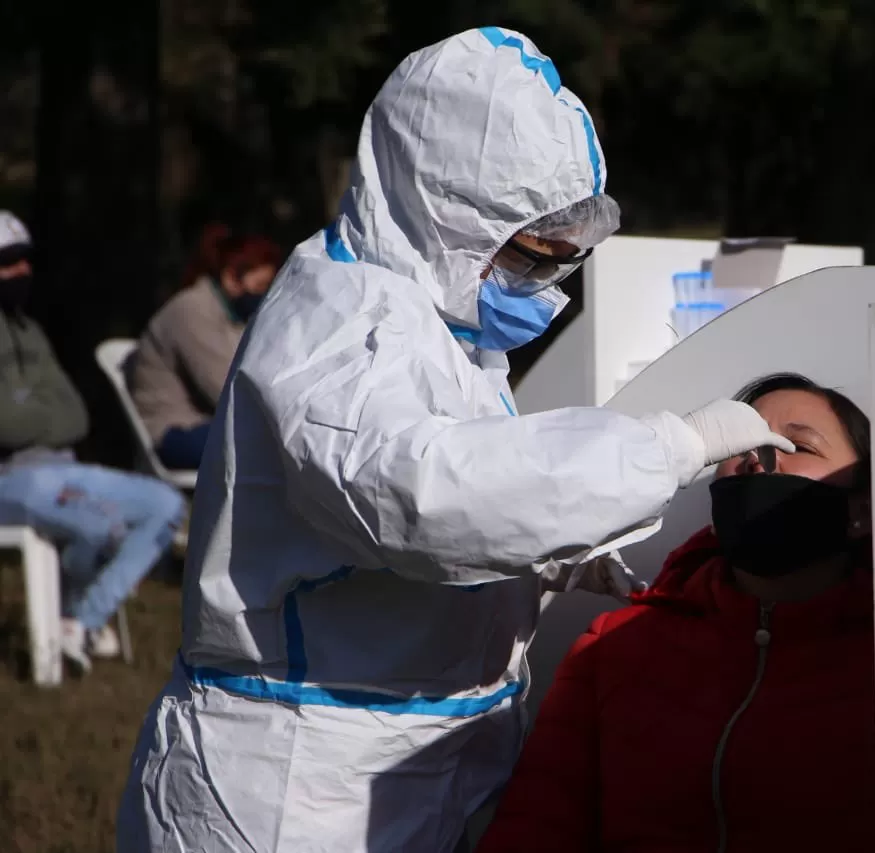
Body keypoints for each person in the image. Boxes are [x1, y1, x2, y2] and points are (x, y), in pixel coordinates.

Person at [117, 28, 792, 853]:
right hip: (293, 785)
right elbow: (424, 497)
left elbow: (432, 504)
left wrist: (555, 558)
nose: (543, 284)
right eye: (530, 256)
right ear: (447, 212)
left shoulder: (439, 316)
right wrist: (672, 447)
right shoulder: (337, 327)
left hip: (414, 759)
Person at [476, 373, 875, 853]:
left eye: (798, 445)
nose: (760, 456)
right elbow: (536, 825)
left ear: (862, 508)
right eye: (745, 439)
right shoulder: (611, 649)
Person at [0, 211, 186, 671]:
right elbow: (6, 427)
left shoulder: (31, 331)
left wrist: (32, 415)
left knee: (163, 504)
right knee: (101, 525)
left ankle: (80, 621)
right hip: (11, 479)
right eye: (7, 262)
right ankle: (73, 622)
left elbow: (76, 415)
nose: (21, 271)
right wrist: (39, 415)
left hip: (63, 467)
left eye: (26, 260)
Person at [130, 224, 282, 470]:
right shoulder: (191, 311)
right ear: (232, 277)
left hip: (213, 425)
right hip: (176, 432)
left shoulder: (232, 315)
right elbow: (227, 390)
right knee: (273, 445)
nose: (262, 296)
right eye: (260, 287)